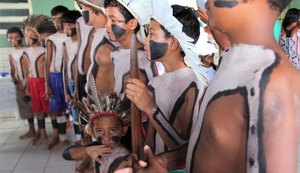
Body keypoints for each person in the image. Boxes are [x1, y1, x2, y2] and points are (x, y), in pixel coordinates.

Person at [118, 0, 300, 172]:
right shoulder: (233, 58)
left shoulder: (275, 83)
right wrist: (162, 162)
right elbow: (211, 141)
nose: (205, 2)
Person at [125, 0, 206, 158]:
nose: (146, 40)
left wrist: (150, 108)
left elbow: (185, 150)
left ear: (174, 43)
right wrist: (144, 161)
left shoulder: (194, 83)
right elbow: (150, 138)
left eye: (152, 34)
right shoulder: (155, 83)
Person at [63, 81, 133, 173]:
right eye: (100, 131)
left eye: (112, 130)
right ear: (92, 131)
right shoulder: (98, 147)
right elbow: (66, 154)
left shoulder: (125, 160)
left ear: (123, 130)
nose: (106, 137)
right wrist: (87, 151)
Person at [44, 5, 69, 151]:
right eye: (54, 19)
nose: (57, 22)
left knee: (73, 109)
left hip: (69, 77)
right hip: (55, 77)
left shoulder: (73, 35)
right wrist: (47, 84)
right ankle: (63, 138)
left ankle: (79, 140)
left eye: (60, 19)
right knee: (58, 109)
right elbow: (48, 62)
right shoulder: (50, 39)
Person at [23, 15, 50, 146]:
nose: (26, 38)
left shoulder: (45, 51)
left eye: (29, 35)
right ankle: (42, 133)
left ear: (37, 36)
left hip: (43, 82)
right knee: (38, 110)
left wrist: (47, 85)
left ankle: (59, 133)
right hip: (32, 83)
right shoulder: (26, 52)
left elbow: (48, 69)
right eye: (26, 35)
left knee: (50, 109)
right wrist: (27, 87)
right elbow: (28, 71)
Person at [7, 27, 36, 139]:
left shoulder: (27, 51)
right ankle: (32, 129)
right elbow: (13, 69)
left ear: (22, 38)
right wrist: (16, 82)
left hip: (30, 84)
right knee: (25, 108)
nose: (13, 40)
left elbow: (29, 70)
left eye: (16, 37)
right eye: (10, 38)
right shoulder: (12, 53)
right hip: (19, 85)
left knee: (35, 107)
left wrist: (26, 85)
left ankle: (41, 131)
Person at [61, 10, 82, 145]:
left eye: (69, 25)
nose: (66, 29)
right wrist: (66, 91)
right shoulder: (65, 44)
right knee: (74, 113)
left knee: (83, 114)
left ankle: (87, 141)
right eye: (64, 26)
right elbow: (65, 67)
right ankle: (78, 140)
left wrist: (76, 92)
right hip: (70, 83)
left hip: (80, 85)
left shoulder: (83, 43)